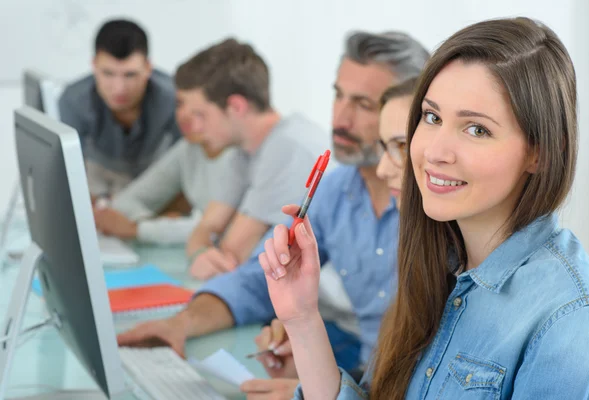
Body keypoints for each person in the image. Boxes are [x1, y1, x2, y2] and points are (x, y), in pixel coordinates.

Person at [259, 17, 589, 400]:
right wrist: (301, 318)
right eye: (432, 117)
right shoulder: (437, 262)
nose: (434, 152)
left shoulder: (572, 314)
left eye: (476, 129)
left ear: (539, 153)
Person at [116, 30, 429, 394]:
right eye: (338, 95)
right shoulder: (336, 188)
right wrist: (180, 324)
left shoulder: (439, 213)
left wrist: (313, 390)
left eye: (363, 104)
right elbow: (256, 279)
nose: (340, 118)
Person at [240, 79, 418, 399]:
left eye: (401, 146)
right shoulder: (338, 186)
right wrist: (304, 337)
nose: (381, 170)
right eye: (338, 95)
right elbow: (385, 378)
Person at [95, 38, 327, 267]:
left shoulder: (287, 149)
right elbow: (205, 229)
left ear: (236, 107)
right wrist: (201, 253)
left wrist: (205, 252)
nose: (193, 127)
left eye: (201, 115)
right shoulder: (243, 153)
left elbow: (230, 254)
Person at [59, 19, 181, 199]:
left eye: (130, 74)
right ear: (94, 66)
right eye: (108, 73)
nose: (119, 88)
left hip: (158, 187)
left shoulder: (175, 99)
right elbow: (70, 174)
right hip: (99, 186)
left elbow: (187, 166)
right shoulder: (73, 101)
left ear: (148, 68)